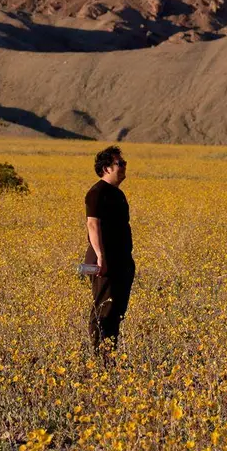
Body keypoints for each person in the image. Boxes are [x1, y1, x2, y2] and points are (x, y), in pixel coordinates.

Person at [84, 145, 134, 353]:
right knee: (104, 309)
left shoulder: (117, 194)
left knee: (117, 310)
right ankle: (100, 357)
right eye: (119, 164)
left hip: (121, 260)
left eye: (124, 163)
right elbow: (92, 224)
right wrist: (100, 257)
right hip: (104, 260)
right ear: (106, 168)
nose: (123, 167)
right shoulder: (97, 193)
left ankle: (109, 354)